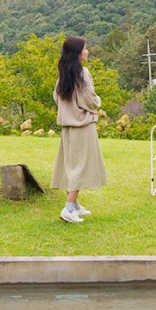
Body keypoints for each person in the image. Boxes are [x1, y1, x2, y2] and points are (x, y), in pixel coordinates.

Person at [51, 35, 107, 223]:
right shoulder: (82, 73)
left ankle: (74, 205)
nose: (87, 51)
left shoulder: (64, 74)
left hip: (68, 127)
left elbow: (57, 97)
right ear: (77, 53)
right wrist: (98, 101)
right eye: (85, 48)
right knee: (80, 167)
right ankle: (68, 208)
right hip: (82, 126)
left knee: (71, 164)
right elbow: (90, 100)